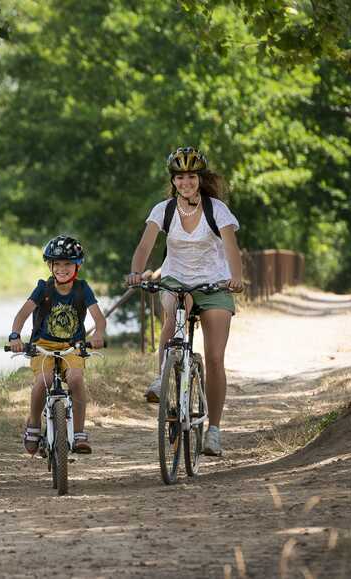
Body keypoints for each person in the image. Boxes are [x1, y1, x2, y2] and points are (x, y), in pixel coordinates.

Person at [126, 146, 243, 456]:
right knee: (174, 311)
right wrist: (137, 272)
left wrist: (236, 277)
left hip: (214, 281)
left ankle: (213, 431)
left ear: (199, 179)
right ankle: (162, 375)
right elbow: (144, 245)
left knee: (215, 357)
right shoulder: (162, 210)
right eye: (180, 177)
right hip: (177, 278)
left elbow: (231, 248)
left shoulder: (216, 210)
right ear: (173, 180)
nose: (186, 182)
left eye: (191, 176)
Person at [8, 235, 106, 455]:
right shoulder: (43, 289)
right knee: (45, 380)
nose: (62, 268)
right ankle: (34, 425)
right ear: (50, 266)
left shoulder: (82, 289)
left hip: (73, 347)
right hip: (43, 345)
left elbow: (99, 318)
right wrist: (15, 336)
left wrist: (98, 334)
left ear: (77, 265)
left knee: (76, 378)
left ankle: (79, 432)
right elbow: (22, 314)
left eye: (68, 263)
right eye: (57, 264)